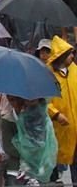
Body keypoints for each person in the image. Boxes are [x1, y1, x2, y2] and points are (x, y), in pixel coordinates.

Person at [47, 36, 77, 178]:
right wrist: (56, 114)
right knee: (56, 165)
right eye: (70, 53)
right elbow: (44, 101)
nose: (73, 56)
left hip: (75, 127)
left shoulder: (75, 70)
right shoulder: (47, 74)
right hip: (58, 129)